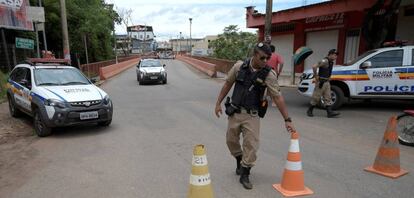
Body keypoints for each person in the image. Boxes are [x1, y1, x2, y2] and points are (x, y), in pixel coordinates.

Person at [214, 42, 295, 190]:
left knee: (251, 145)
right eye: (262, 58)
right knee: (230, 141)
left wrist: (287, 119)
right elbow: (227, 84)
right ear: (254, 55)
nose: (265, 61)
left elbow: (278, 97)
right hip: (235, 112)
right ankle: (239, 159)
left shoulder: (269, 75)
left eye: (268, 58)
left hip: (252, 115)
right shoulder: (239, 67)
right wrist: (218, 103)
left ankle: (245, 173)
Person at [306, 49, 340, 118]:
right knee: (316, 97)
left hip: (327, 82)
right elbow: (314, 66)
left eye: (336, 55)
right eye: (335, 55)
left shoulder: (331, 62)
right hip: (321, 82)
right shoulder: (325, 61)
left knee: (328, 97)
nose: (336, 57)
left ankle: (329, 112)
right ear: (330, 54)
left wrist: (329, 77)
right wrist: (316, 76)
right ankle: (309, 110)